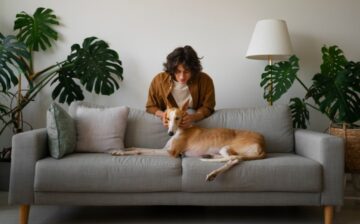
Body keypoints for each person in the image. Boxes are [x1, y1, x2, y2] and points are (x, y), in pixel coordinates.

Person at [146, 45, 215, 128]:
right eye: (178, 71)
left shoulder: (205, 80)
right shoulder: (159, 80)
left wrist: (193, 117)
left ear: (193, 70)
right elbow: (150, 106)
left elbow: (208, 107)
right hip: (167, 126)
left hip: (193, 126)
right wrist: (164, 115)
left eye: (186, 72)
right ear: (172, 69)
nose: (182, 77)